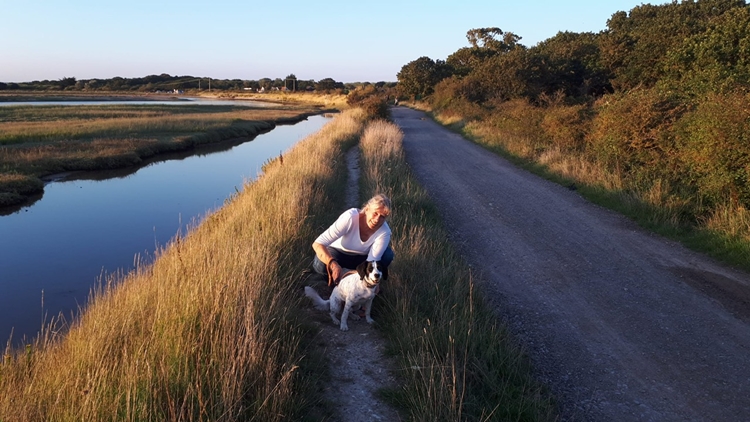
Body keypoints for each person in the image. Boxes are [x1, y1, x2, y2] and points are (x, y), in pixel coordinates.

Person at [312, 194, 394, 284]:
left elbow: (371, 261)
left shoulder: (385, 231)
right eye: (375, 213)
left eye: (382, 216)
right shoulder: (350, 217)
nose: (377, 219)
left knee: (387, 255)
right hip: (338, 252)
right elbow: (318, 244)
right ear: (367, 209)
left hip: (362, 259)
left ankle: (358, 280)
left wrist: (363, 271)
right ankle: (336, 278)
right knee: (321, 264)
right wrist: (333, 265)